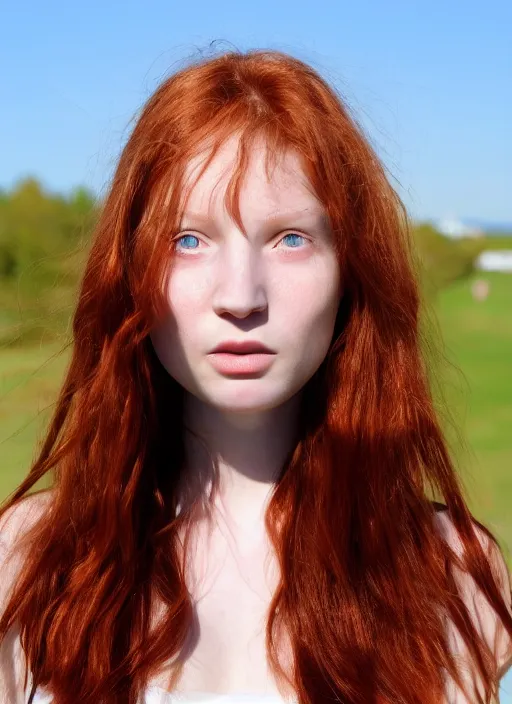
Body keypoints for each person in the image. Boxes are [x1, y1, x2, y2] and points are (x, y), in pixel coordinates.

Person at [0, 48, 511, 704]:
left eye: (290, 238)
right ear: (128, 273)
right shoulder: (28, 564)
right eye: (187, 239)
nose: (240, 296)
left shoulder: (452, 573)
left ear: (351, 274)